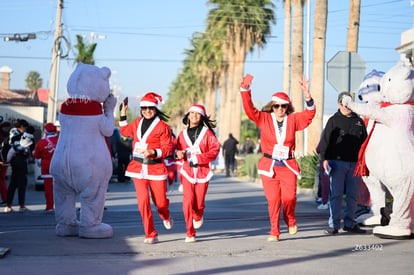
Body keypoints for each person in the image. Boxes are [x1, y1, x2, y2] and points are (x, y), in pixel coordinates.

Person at [240, 74, 316, 242]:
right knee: (273, 200)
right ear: (272, 106)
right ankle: (274, 231)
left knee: (289, 198)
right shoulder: (264, 119)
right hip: (269, 166)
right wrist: (245, 90)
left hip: (288, 166)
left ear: (287, 107)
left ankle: (290, 218)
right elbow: (249, 109)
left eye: (283, 106)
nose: (280, 109)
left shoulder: (294, 119)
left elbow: (310, 114)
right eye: (277, 106)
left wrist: (307, 95)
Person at [119, 92, 174, 244]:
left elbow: (168, 149)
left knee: (160, 203)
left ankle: (165, 215)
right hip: (137, 168)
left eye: (150, 108)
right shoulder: (136, 123)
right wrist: (123, 114)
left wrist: (153, 152)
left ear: (155, 109)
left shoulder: (163, 127)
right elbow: (124, 131)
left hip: (155, 169)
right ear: (141, 109)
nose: (147, 111)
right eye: (144, 108)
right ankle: (151, 234)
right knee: (143, 201)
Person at [319, 92, 368, 235]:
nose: (346, 107)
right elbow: (325, 141)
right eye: (343, 103)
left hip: (355, 165)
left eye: (348, 103)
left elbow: (364, 142)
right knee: (336, 195)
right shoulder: (333, 120)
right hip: (337, 163)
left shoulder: (358, 121)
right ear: (338, 104)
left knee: (353, 195)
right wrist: (325, 159)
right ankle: (333, 225)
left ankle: (350, 224)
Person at [176, 105, 220, 243]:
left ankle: (198, 215)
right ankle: (190, 232)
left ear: (202, 117)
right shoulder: (182, 134)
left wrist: (199, 158)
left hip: (202, 172)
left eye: (198, 113)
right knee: (187, 201)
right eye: (192, 113)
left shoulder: (208, 134)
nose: (194, 115)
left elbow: (215, 150)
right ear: (188, 115)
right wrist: (179, 154)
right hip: (187, 171)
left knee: (199, 204)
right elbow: (176, 150)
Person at [5, 119, 34, 212]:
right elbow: (21, 148)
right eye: (24, 127)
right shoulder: (18, 135)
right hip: (19, 160)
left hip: (14, 160)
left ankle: (8, 205)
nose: (25, 129)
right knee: (21, 183)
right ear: (22, 126)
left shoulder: (13, 133)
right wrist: (27, 151)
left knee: (13, 183)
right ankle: (21, 205)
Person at [33, 123, 59, 211]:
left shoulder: (41, 142)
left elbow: (36, 155)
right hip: (59, 167)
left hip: (46, 168)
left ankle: (50, 206)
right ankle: (62, 207)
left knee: (48, 189)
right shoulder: (61, 140)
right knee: (62, 189)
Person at [0, 121, 12, 204]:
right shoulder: (9, 137)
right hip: (5, 161)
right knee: (1, 180)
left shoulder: (6, 137)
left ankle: (6, 198)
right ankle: (6, 198)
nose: (7, 129)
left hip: (3, 161)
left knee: (1, 180)